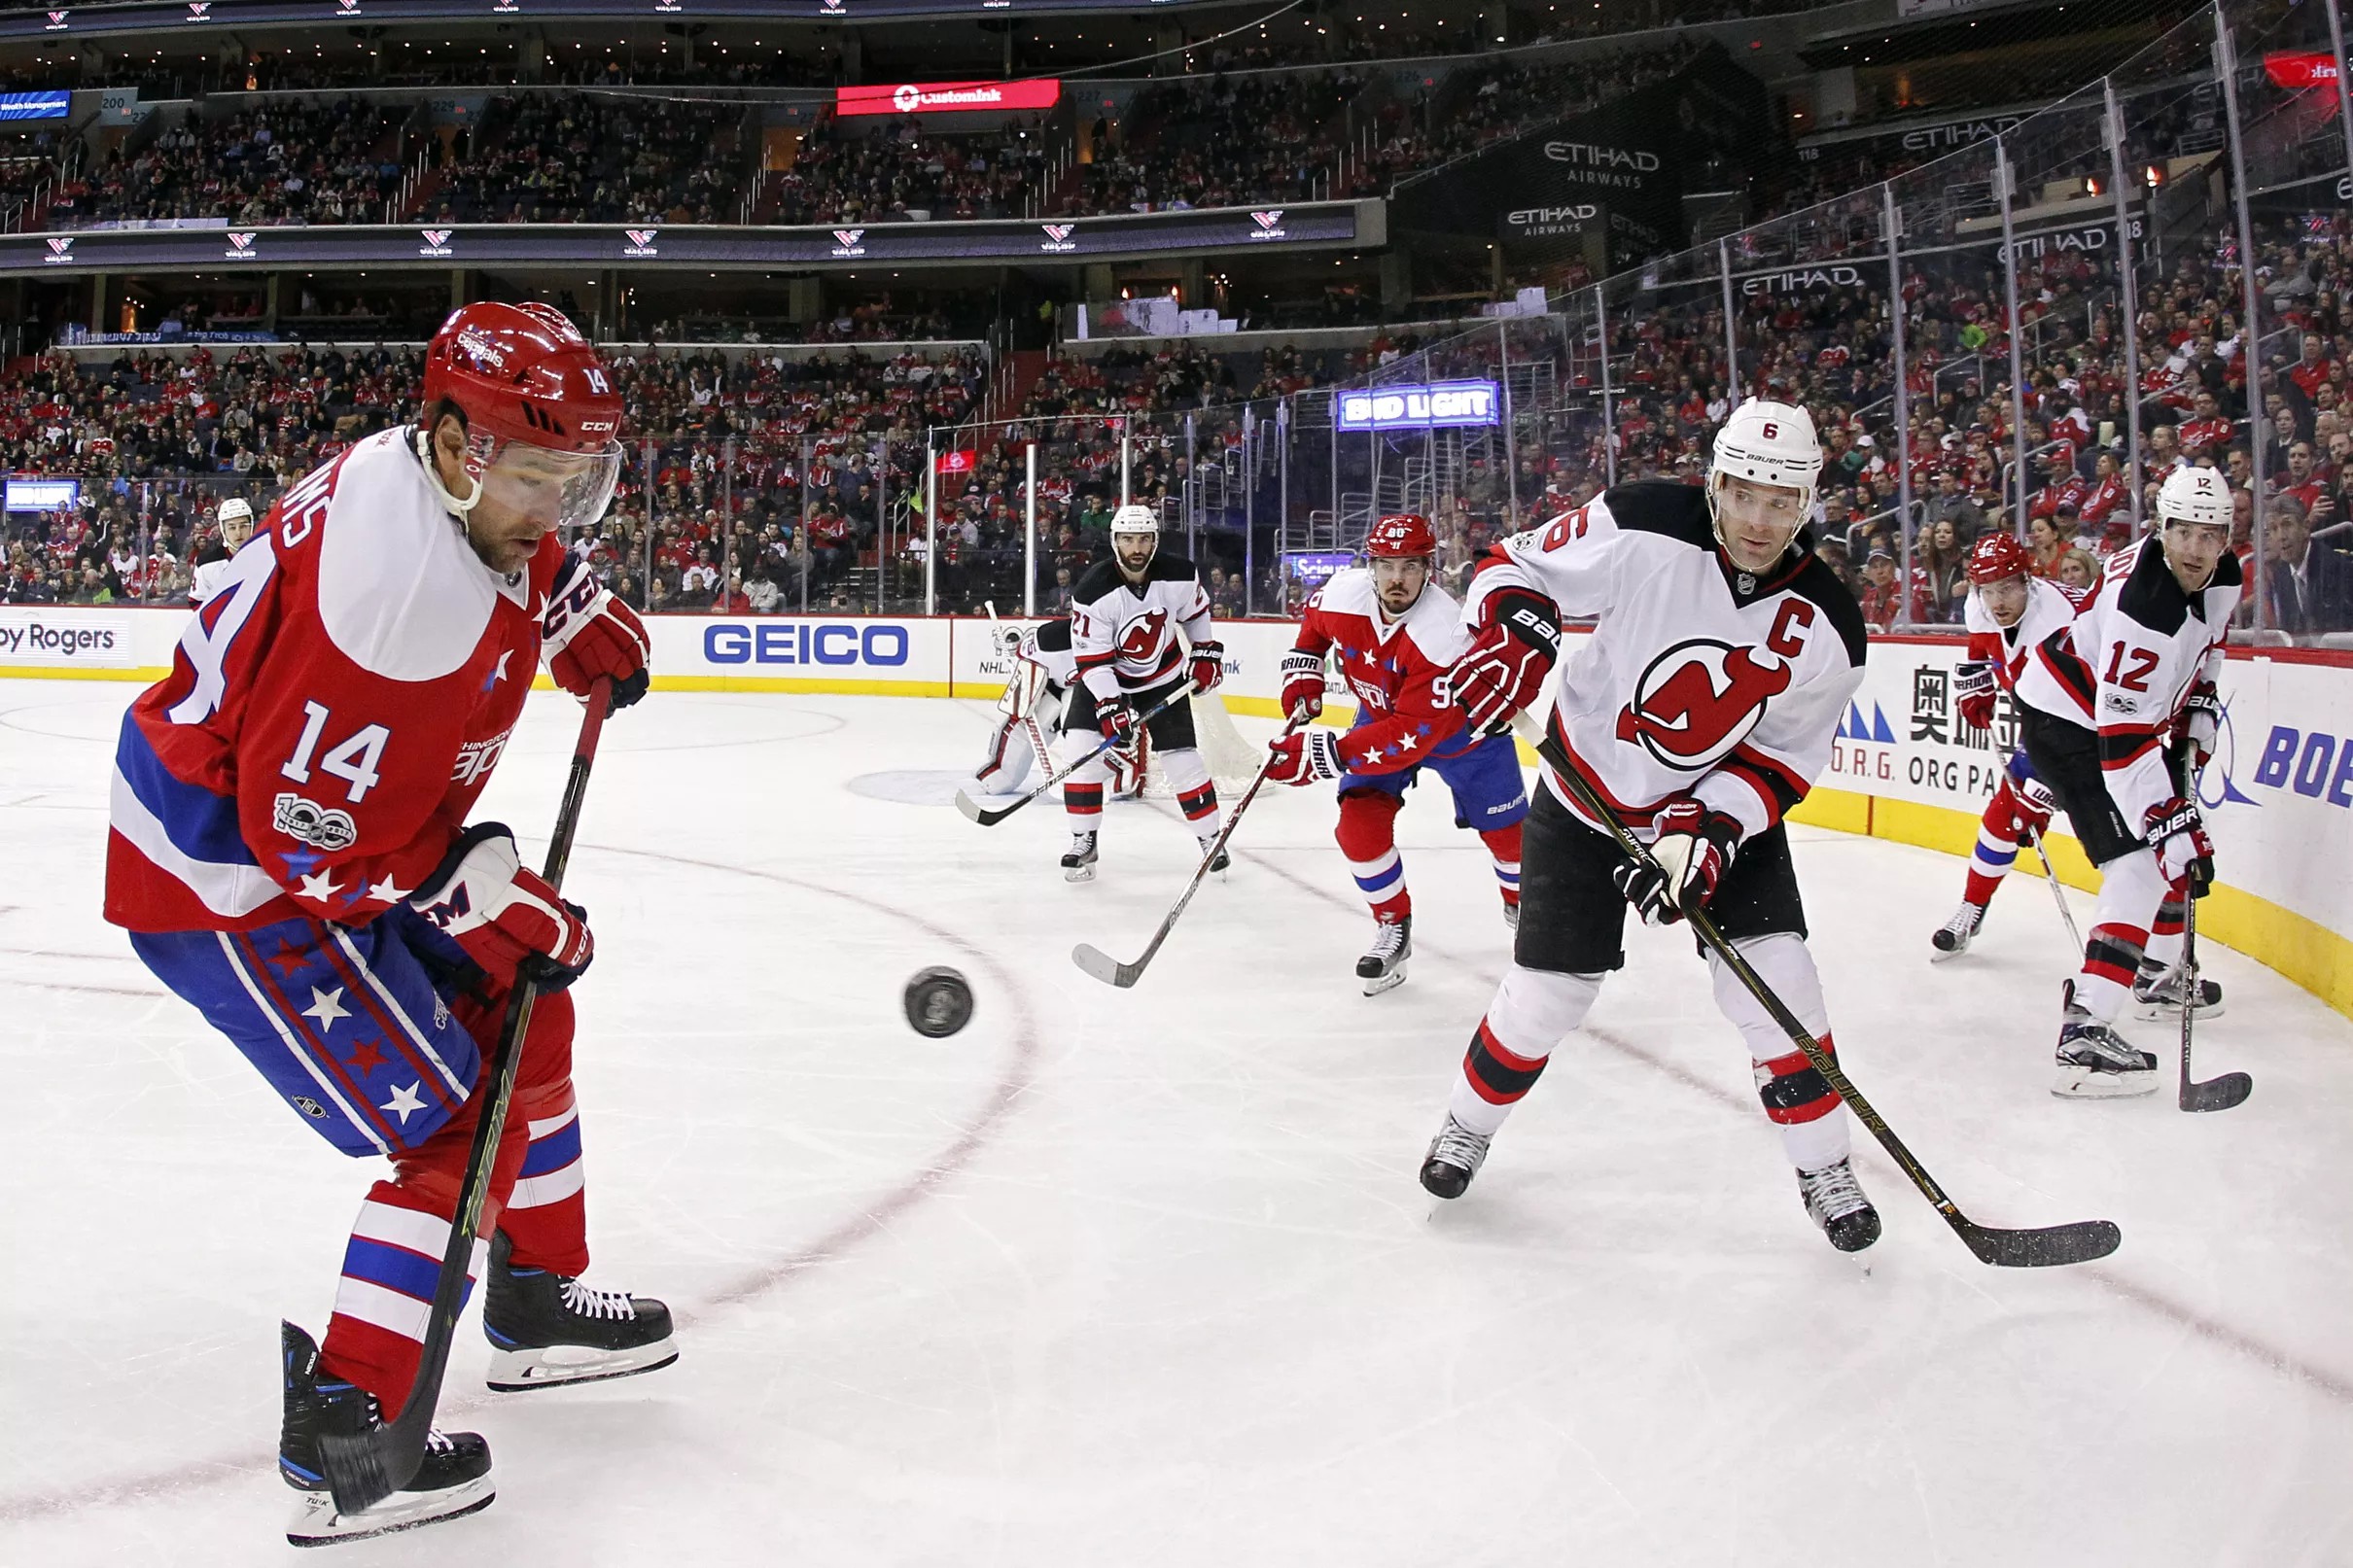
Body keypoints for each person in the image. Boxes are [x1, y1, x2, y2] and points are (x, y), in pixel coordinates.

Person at [100, 302, 667, 1545]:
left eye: (581, 481)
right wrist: (487, 896)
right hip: (228, 883)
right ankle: (349, 1431)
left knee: (529, 1013)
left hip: (306, 835)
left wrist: (562, 603)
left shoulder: (435, 480)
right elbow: (313, 847)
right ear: (460, 446)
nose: (558, 510)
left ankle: (531, 1295)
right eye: (541, 480)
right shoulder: (391, 613)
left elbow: (504, 548)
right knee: (456, 1115)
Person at [1414, 400, 1881, 1254]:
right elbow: (1508, 566)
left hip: (1715, 812)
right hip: (1586, 792)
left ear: (1808, 502)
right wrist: (1517, 626)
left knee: (1779, 983)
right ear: (1716, 481)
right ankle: (1465, 1124)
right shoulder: (1644, 520)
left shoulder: (1830, 626)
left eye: (1781, 502)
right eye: (1743, 493)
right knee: (1548, 995)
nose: (1758, 519)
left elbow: (1781, 760)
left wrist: (1709, 830)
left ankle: (1824, 1166)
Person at [2010, 467, 2239, 1098]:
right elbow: (2122, 742)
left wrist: (2200, 702)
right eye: (2182, 531)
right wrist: (2165, 822)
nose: (2195, 548)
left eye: (2209, 533)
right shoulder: (2145, 605)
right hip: (2069, 720)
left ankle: (2155, 975)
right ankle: (2084, 1034)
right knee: (2143, 860)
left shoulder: (2226, 573)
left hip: (2109, 719)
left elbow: (2211, 643)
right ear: (2161, 529)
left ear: (2225, 537)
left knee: (2182, 833)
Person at [1263, 513, 1528, 994]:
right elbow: (1314, 629)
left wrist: (1325, 752)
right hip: (1383, 719)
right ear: (1371, 566)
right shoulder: (1343, 594)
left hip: (1465, 736)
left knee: (1511, 841)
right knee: (1358, 827)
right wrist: (1303, 669)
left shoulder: (1444, 633)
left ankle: (1525, 913)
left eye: (1410, 567)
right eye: (1386, 566)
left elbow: (1414, 730)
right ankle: (1393, 926)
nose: (1397, 579)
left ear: (1429, 569)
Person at [1928, 534, 2083, 959]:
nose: (1997, 600)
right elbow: (1981, 648)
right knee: (2004, 817)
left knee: (2121, 844)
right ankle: (1971, 908)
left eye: (2007, 587)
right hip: (2048, 723)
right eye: (1988, 589)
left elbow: (2083, 712)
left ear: (2028, 580)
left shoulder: (2062, 623)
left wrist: (2048, 785)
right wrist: (1975, 680)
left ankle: (2160, 954)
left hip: (2101, 731)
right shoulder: (1979, 605)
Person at [1060, 505, 1225, 882]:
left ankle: (1211, 839)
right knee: (1080, 752)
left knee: (1183, 760)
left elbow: (1196, 613)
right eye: (1128, 539)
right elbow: (1093, 662)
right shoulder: (1093, 590)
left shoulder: (1180, 574)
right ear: (1115, 542)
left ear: (1155, 541)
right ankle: (1085, 839)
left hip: (1162, 677)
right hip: (1107, 678)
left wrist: (1203, 651)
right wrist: (1111, 705)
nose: (1137, 547)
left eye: (1144, 539)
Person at [969, 616, 1141, 801]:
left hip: (1093, 695)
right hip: (1055, 688)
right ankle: (1000, 769)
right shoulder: (1052, 639)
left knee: (1084, 726)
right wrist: (1027, 690)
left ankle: (1112, 772)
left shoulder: (1131, 643)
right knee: (1001, 779)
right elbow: (1026, 655)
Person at [189, 497, 256, 606]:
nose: (238, 533)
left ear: (251, 526)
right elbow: (196, 602)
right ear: (223, 530)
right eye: (232, 528)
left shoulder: (268, 557)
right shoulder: (205, 562)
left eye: (243, 526)